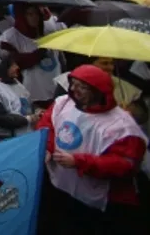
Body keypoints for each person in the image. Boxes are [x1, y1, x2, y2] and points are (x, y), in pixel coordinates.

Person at [37, 64, 147, 228]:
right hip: (61, 187)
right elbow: (47, 125)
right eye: (73, 84)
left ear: (98, 91)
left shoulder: (122, 127)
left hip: (99, 201)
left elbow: (125, 165)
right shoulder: (63, 103)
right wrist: (47, 147)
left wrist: (79, 162)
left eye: (82, 87)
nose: (74, 90)